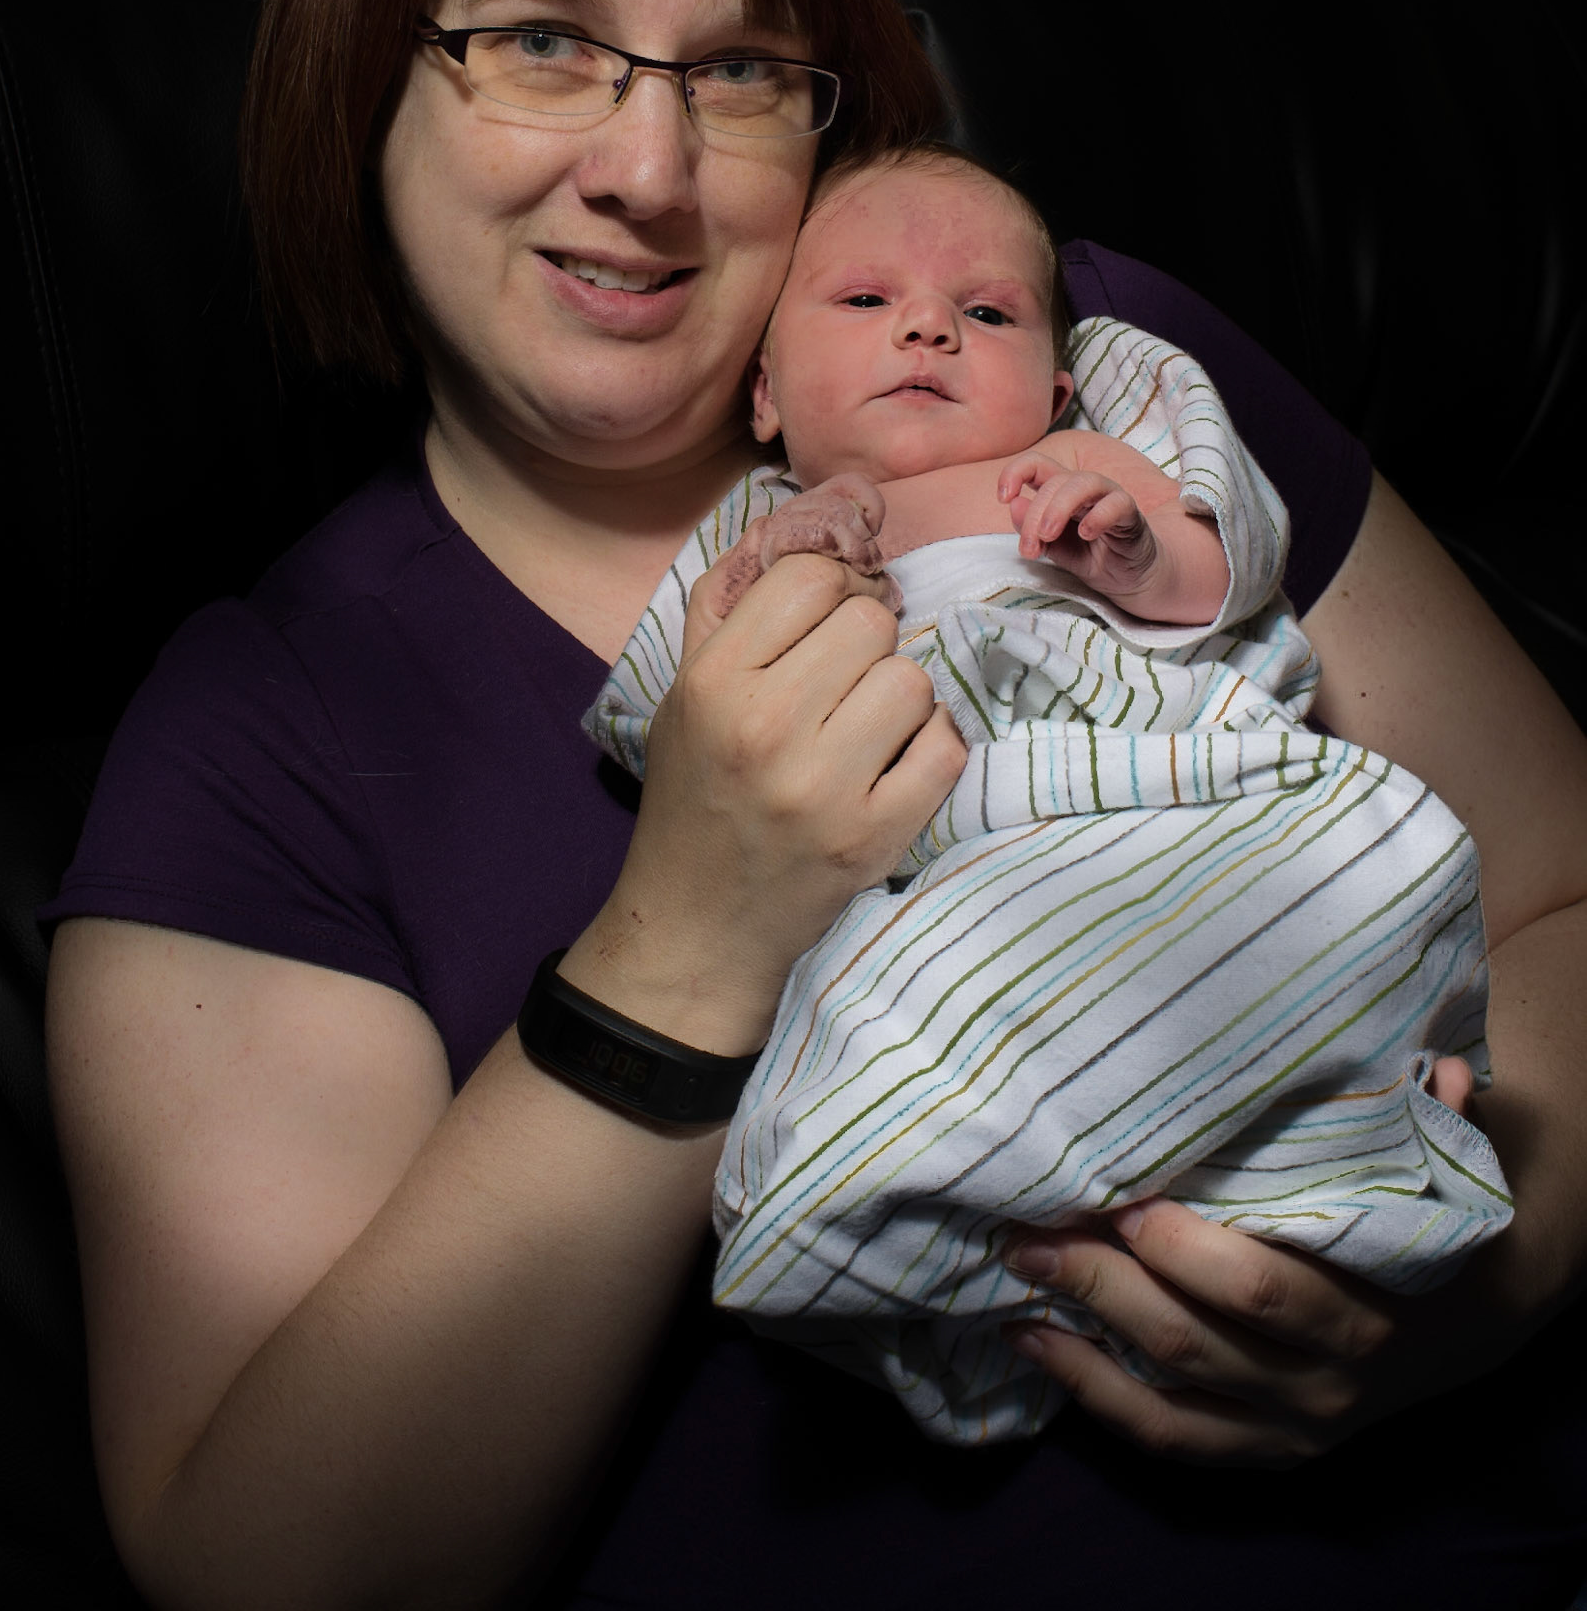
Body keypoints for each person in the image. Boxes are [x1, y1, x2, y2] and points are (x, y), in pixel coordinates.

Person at [39, 0, 1587, 1611]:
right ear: (367, 87)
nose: (648, 170)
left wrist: (1484, 1284)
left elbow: (1564, 889)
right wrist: (685, 943)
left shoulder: (1098, 378)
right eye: (540, 40)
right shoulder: (264, 733)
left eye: (743, 71)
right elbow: (266, 1566)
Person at [586, 145, 1508, 1445]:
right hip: (956, 852)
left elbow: (1223, 577)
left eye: (985, 312)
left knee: (1351, 872)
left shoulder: (1085, 456)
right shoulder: (762, 524)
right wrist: (779, 568)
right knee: (885, 1004)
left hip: (1156, 792)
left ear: (1057, 386)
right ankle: (915, 1219)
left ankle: (1295, 1169)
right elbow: (676, 731)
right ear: (767, 394)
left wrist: (1128, 543)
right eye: (864, 300)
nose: (926, 327)